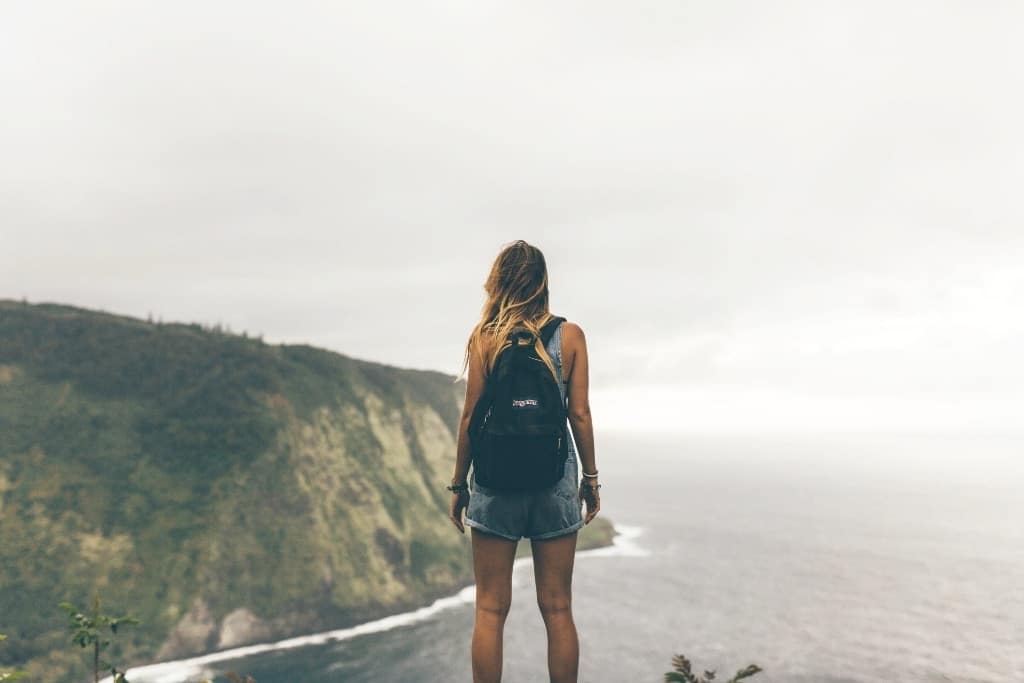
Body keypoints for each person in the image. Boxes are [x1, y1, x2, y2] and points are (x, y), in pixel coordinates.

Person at [448, 239, 601, 683]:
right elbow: (580, 414)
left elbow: (471, 418)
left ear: (498, 282)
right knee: (557, 608)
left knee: (490, 609)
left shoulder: (486, 338)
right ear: (542, 282)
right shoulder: (569, 336)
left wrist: (460, 486)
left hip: (496, 483)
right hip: (554, 482)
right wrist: (590, 480)